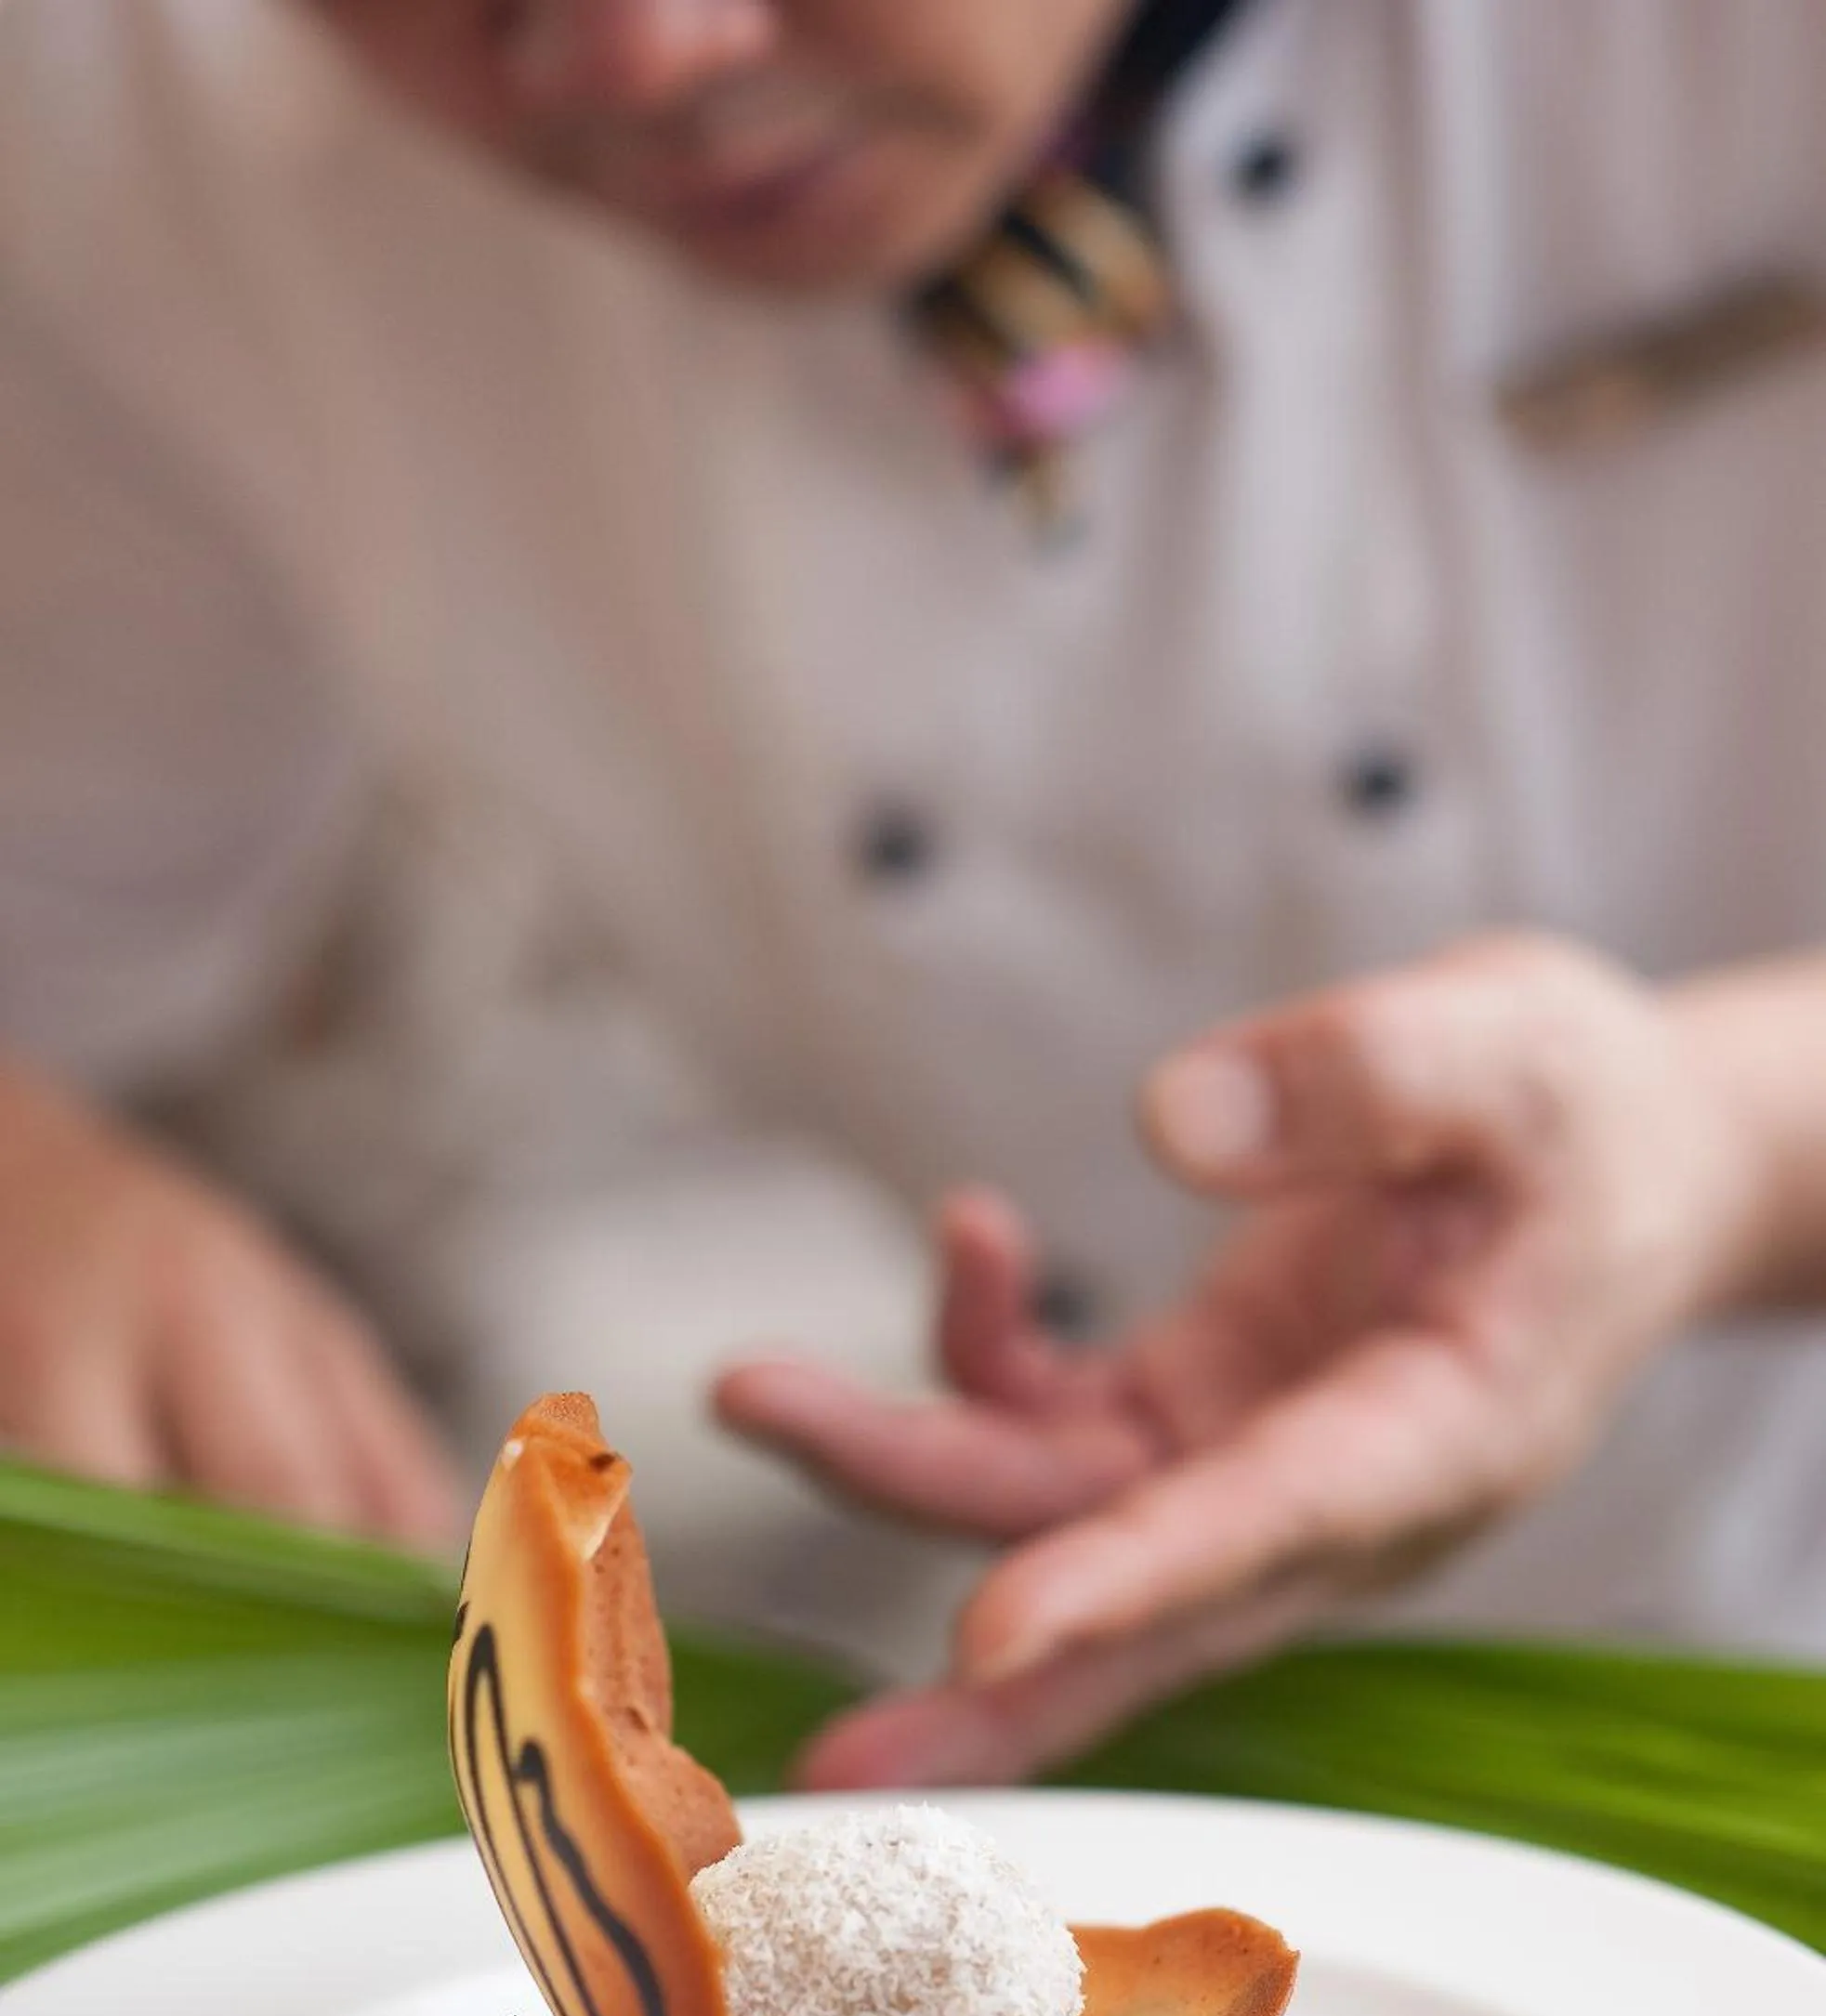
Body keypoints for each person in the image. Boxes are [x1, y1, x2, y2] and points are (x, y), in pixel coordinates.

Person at [7, 0, 1826, 1790]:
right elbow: (56, 904)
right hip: (1091, 1707)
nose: (642, 56)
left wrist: (1717, 1142)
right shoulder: (128, 110)